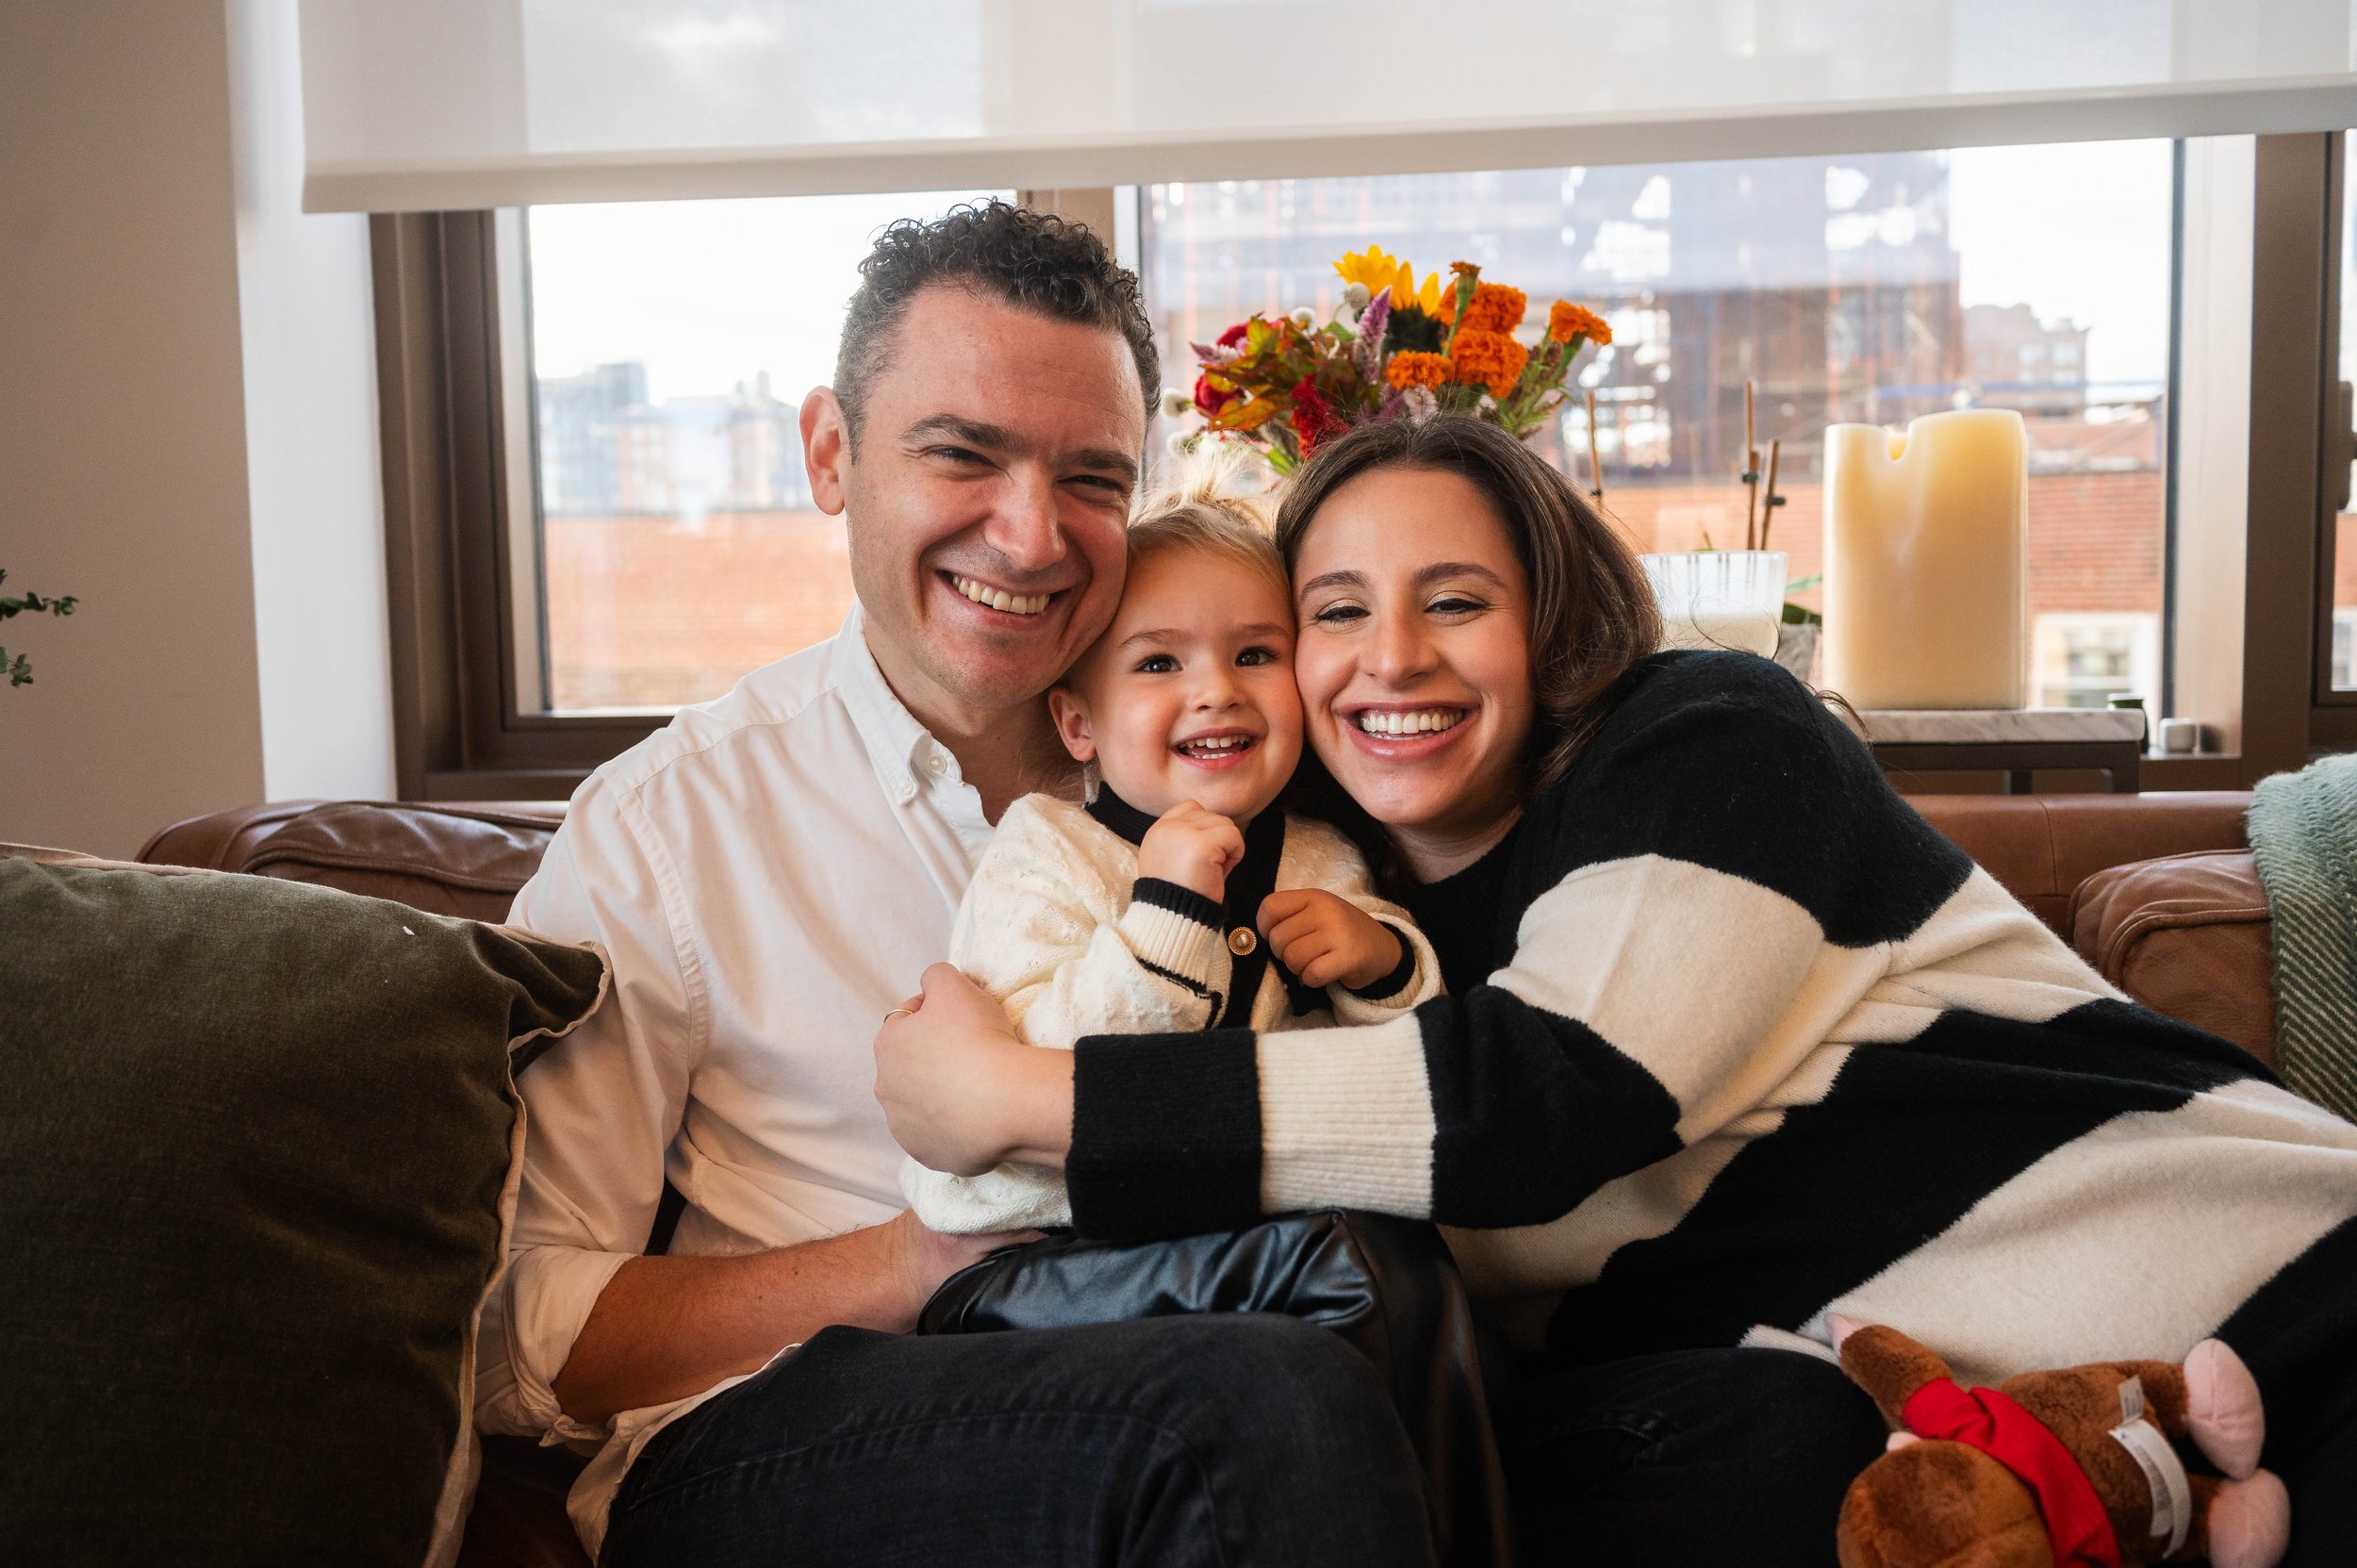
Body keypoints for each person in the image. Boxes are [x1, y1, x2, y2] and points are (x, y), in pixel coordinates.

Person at [875, 414, 2357, 1567]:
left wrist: (1017, 1095)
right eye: (1330, 612)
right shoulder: (1327, 912)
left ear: (1554, 617)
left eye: (1454, 600)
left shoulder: (1708, 735)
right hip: (2046, 1449)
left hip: (2297, 1295)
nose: (1392, 655)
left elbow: (1554, 1091)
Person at [478, 203, 1438, 1568]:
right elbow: (521, 1324)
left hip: (1186, 1349)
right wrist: (909, 1261)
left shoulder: (1262, 788)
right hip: (774, 1435)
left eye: (1093, 479)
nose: (1034, 534)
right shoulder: (664, 828)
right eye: (962, 455)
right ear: (831, 452)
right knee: (1257, 1400)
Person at [905, 472, 1441, 1234]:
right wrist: (1167, 917)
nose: (1217, 690)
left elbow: (1394, 1082)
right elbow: (1026, 1078)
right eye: (1159, 663)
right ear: (1078, 724)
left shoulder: (1322, 853)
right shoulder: (1046, 851)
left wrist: (1384, 967)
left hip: (1269, 1242)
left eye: (1256, 653)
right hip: (1057, 1250)